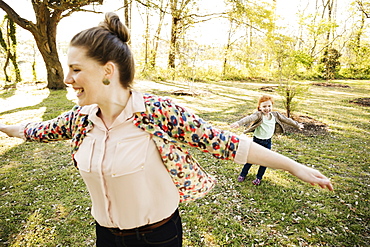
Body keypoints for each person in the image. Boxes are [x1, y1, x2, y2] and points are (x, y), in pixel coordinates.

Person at [0, 12, 333, 247]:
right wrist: (5, 126)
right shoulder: (81, 118)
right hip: (105, 237)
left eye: (75, 69)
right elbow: (36, 130)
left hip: (157, 237)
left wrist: (293, 166)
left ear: (107, 71)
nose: (68, 78)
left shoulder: (157, 113)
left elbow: (226, 143)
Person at [230, 95, 304, 186]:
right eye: (264, 106)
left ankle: (258, 178)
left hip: (267, 142)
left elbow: (287, 120)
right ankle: (243, 174)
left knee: (265, 161)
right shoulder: (258, 115)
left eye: (269, 106)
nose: (267, 108)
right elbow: (249, 118)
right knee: (251, 160)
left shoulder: (275, 115)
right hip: (257, 142)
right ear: (260, 107)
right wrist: (238, 123)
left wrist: (297, 125)